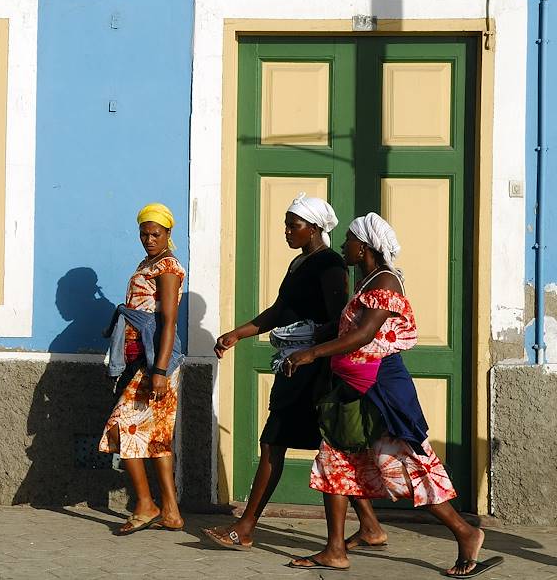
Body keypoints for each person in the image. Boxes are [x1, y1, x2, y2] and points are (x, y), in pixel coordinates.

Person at [279, 214, 502, 578]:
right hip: (357, 389)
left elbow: (364, 335)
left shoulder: (385, 281)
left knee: (410, 466)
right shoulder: (368, 280)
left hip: (381, 392)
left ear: (364, 247)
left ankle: (465, 532)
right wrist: (310, 335)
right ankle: (336, 549)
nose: (343, 245)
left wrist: (311, 354)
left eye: (348, 240)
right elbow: (349, 327)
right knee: (336, 460)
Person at [203, 194, 386, 550]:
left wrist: (309, 342)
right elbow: (279, 309)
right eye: (286, 224)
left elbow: (341, 322)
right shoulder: (298, 265)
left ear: (315, 228)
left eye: (294, 225)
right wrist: (238, 334)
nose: (287, 231)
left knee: (274, 441)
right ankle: (370, 525)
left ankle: (246, 527)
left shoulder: (330, 264)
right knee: (333, 448)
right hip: (295, 366)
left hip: (311, 371)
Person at [100, 202, 186, 535]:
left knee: (121, 427)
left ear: (168, 234)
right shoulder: (146, 262)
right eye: (144, 233)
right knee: (157, 437)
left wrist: (160, 371)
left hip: (155, 364)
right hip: (142, 360)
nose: (149, 239)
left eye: (156, 234)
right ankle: (172, 512)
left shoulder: (167, 266)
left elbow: (168, 322)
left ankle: (146, 504)